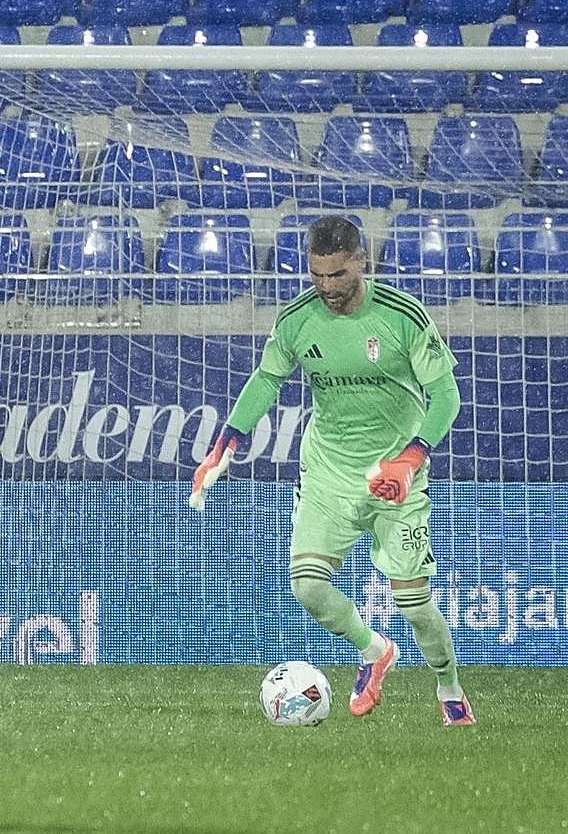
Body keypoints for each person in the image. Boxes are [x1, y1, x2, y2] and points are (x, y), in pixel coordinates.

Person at [189, 215, 474, 727]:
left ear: (361, 261)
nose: (327, 288)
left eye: (338, 275)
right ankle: (373, 650)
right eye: (317, 276)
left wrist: (412, 458)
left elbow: (447, 397)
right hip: (327, 472)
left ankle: (448, 683)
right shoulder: (298, 319)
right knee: (308, 586)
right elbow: (265, 381)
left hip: (395, 476)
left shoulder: (402, 316)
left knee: (414, 605)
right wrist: (222, 446)